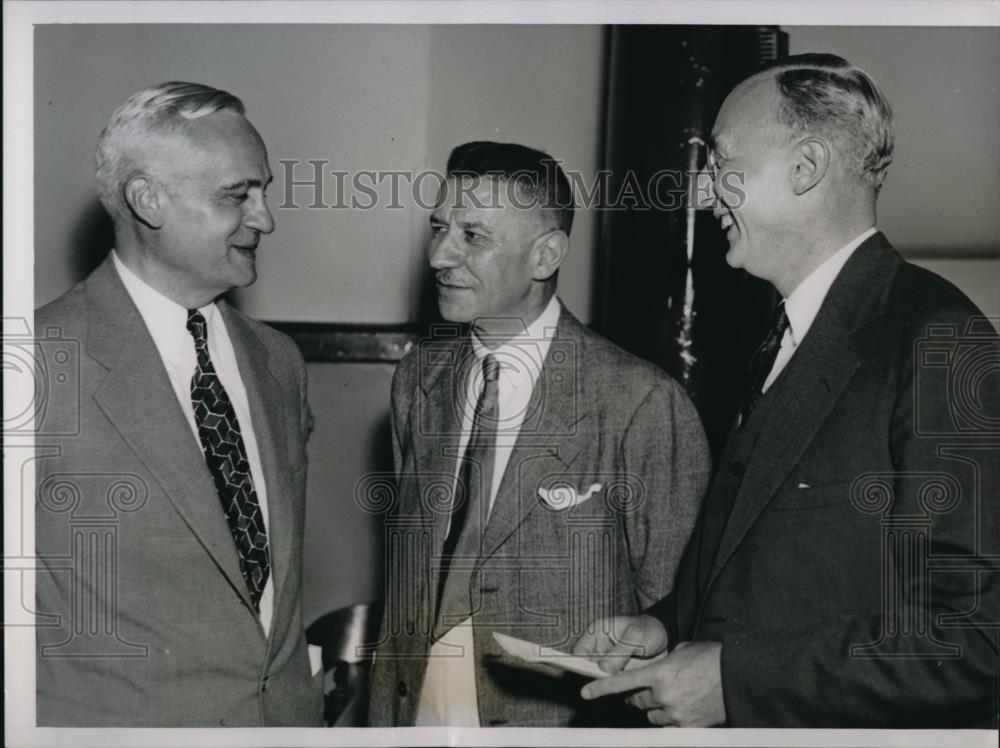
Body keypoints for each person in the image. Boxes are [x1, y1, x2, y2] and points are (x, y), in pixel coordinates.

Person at [573, 53, 999, 728]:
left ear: (805, 169)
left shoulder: (939, 339)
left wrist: (734, 681)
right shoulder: (782, 336)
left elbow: (973, 641)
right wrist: (662, 628)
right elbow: (767, 563)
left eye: (722, 164)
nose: (703, 192)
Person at [367, 141, 711, 727]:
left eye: (473, 236)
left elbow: (680, 616)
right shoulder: (417, 381)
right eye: (439, 227)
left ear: (546, 255)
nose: (439, 255)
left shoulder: (640, 402)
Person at [34, 82, 323, 726]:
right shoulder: (34, 363)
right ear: (148, 200)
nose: (265, 218)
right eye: (236, 195)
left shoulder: (278, 362)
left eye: (264, 190)